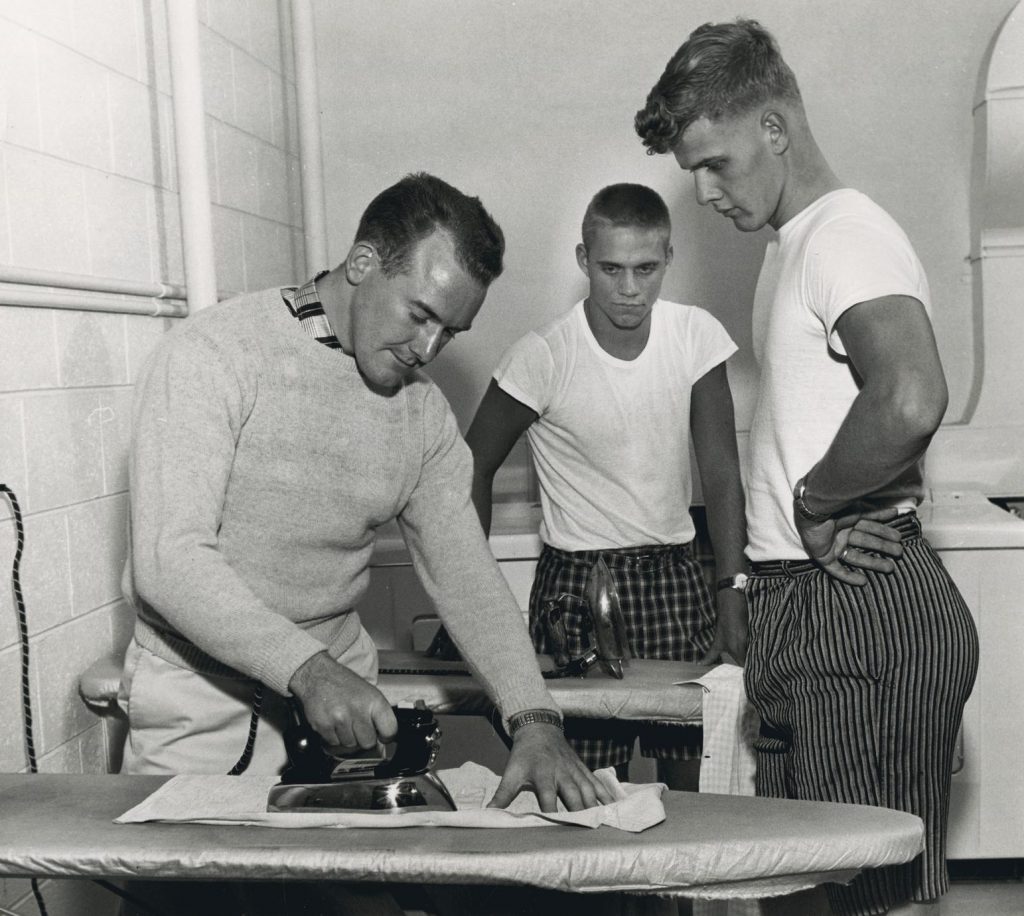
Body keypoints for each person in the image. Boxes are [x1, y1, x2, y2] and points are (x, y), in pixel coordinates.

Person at [118, 173, 613, 913]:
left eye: (450, 332)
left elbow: (466, 576)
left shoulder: (422, 419)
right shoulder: (212, 355)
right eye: (420, 315)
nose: (429, 347)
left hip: (336, 716)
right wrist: (307, 672)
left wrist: (533, 719)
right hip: (201, 701)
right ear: (361, 264)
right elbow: (169, 562)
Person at [635, 20, 978, 916]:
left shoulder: (846, 235)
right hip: (806, 601)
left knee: (861, 898)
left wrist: (818, 501)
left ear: (775, 128)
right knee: (794, 885)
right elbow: (797, 427)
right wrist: (750, 578)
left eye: (716, 163)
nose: (706, 192)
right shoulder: (792, 246)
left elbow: (909, 395)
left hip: (856, 606)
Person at [462, 183, 748, 791]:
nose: (629, 288)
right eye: (610, 268)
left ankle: (677, 891)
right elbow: (471, 468)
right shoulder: (542, 355)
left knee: (689, 783)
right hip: (575, 589)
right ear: (582, 260)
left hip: (675, 580)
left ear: (669, 258)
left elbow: (722, 475)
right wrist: (470, 592)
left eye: (646, 268)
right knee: (586, 792)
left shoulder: (695, 336)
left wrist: (732, 593)